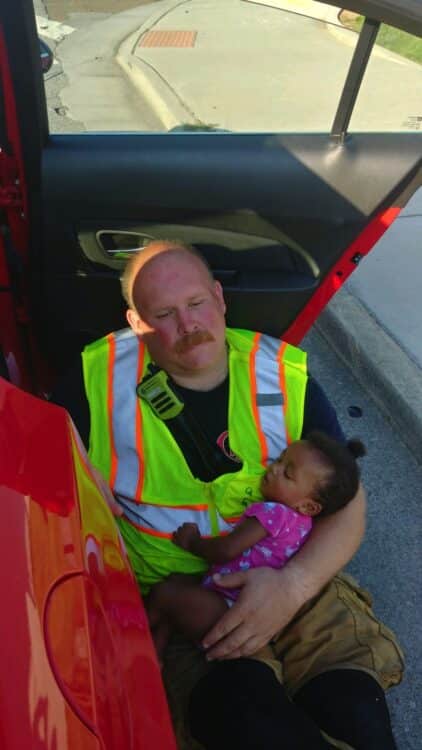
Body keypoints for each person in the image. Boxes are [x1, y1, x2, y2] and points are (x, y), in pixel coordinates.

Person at [53, 240, 403, 750]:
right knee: (248, 720)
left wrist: (294, 587)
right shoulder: (92, 383)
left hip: (294, 574)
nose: (188, 325)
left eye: (196, 304)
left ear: (220, 298)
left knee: (357, 714)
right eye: (163, 314)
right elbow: (45, 482)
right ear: (135, 321)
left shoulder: (280, 373)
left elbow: (348, 504)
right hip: (184, 599)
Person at [147, 433, 366, 659]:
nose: (274, 469)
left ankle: (135, 638)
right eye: (280, 459)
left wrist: (192, 541)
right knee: (177, 584)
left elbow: (226, 551)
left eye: (288, 474)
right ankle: (158, 648)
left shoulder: (273, 513)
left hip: (226, 609)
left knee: (164, 593)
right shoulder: (304, 525)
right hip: (239, 605)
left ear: (309, 506)